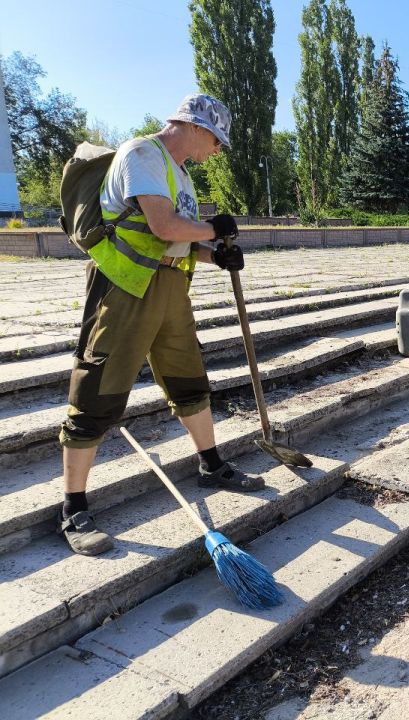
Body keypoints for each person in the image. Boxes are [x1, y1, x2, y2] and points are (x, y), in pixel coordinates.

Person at [58, 93, 263, 556]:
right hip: (125, 289)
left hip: (171, 290)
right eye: (216, 140)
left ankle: (211, 465)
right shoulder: (143, 154)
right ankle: (72, 509)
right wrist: (214, 228)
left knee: (189, 380)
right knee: (97, 389)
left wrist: (216, 254)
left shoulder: (182, 175)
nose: (217, 150)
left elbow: (182, 242)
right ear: (194, 127)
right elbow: (163, 225)